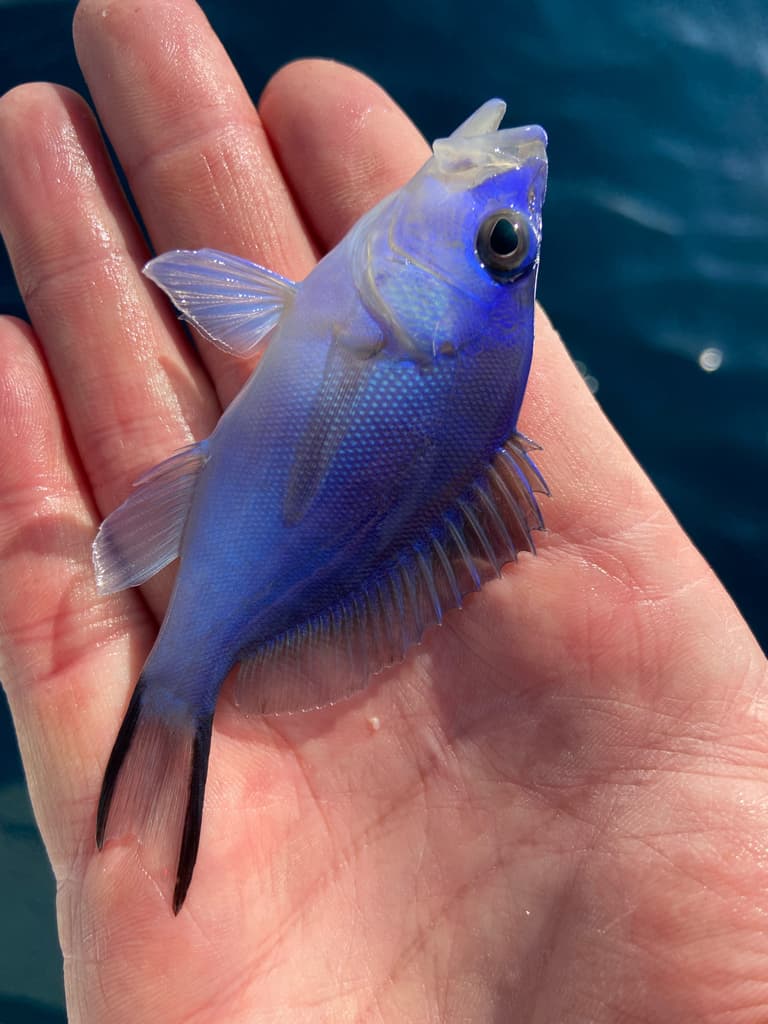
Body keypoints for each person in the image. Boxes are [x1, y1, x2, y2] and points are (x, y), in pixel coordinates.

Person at [0, 1, 765, 1020]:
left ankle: (178, 694)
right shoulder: (393, 315)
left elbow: (248, 305)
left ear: (450, 318)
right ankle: (176, 706)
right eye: (506, 239)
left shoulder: (387, 316)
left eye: (501, 243)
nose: (512, 186)